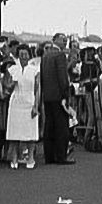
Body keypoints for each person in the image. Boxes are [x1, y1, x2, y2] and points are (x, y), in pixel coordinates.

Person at [39, 33, 74, 165]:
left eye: (66, 40)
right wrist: (65, 95)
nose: (65, 42)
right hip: (59, 96)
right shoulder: (60, 55)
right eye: (63, 40)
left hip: (48, 96)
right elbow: (63, 78)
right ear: (55, 40)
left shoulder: (45, 55)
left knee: (49, 126)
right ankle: (61, 156)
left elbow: (42, 77)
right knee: (61, 127)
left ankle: (49, 156)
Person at [4, 44, 40, 170]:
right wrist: (11, 84)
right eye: (21, 54)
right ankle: (14, 157)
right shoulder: (12, 69)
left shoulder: (34, 70)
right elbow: (6, 87)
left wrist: (36, 106)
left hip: (29, 101)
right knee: (14, 131)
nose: (24, 57)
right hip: (16, 101)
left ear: (29, 55)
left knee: (30, 131)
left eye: (26, 54)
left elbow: (37, 89)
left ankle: (30, 157)